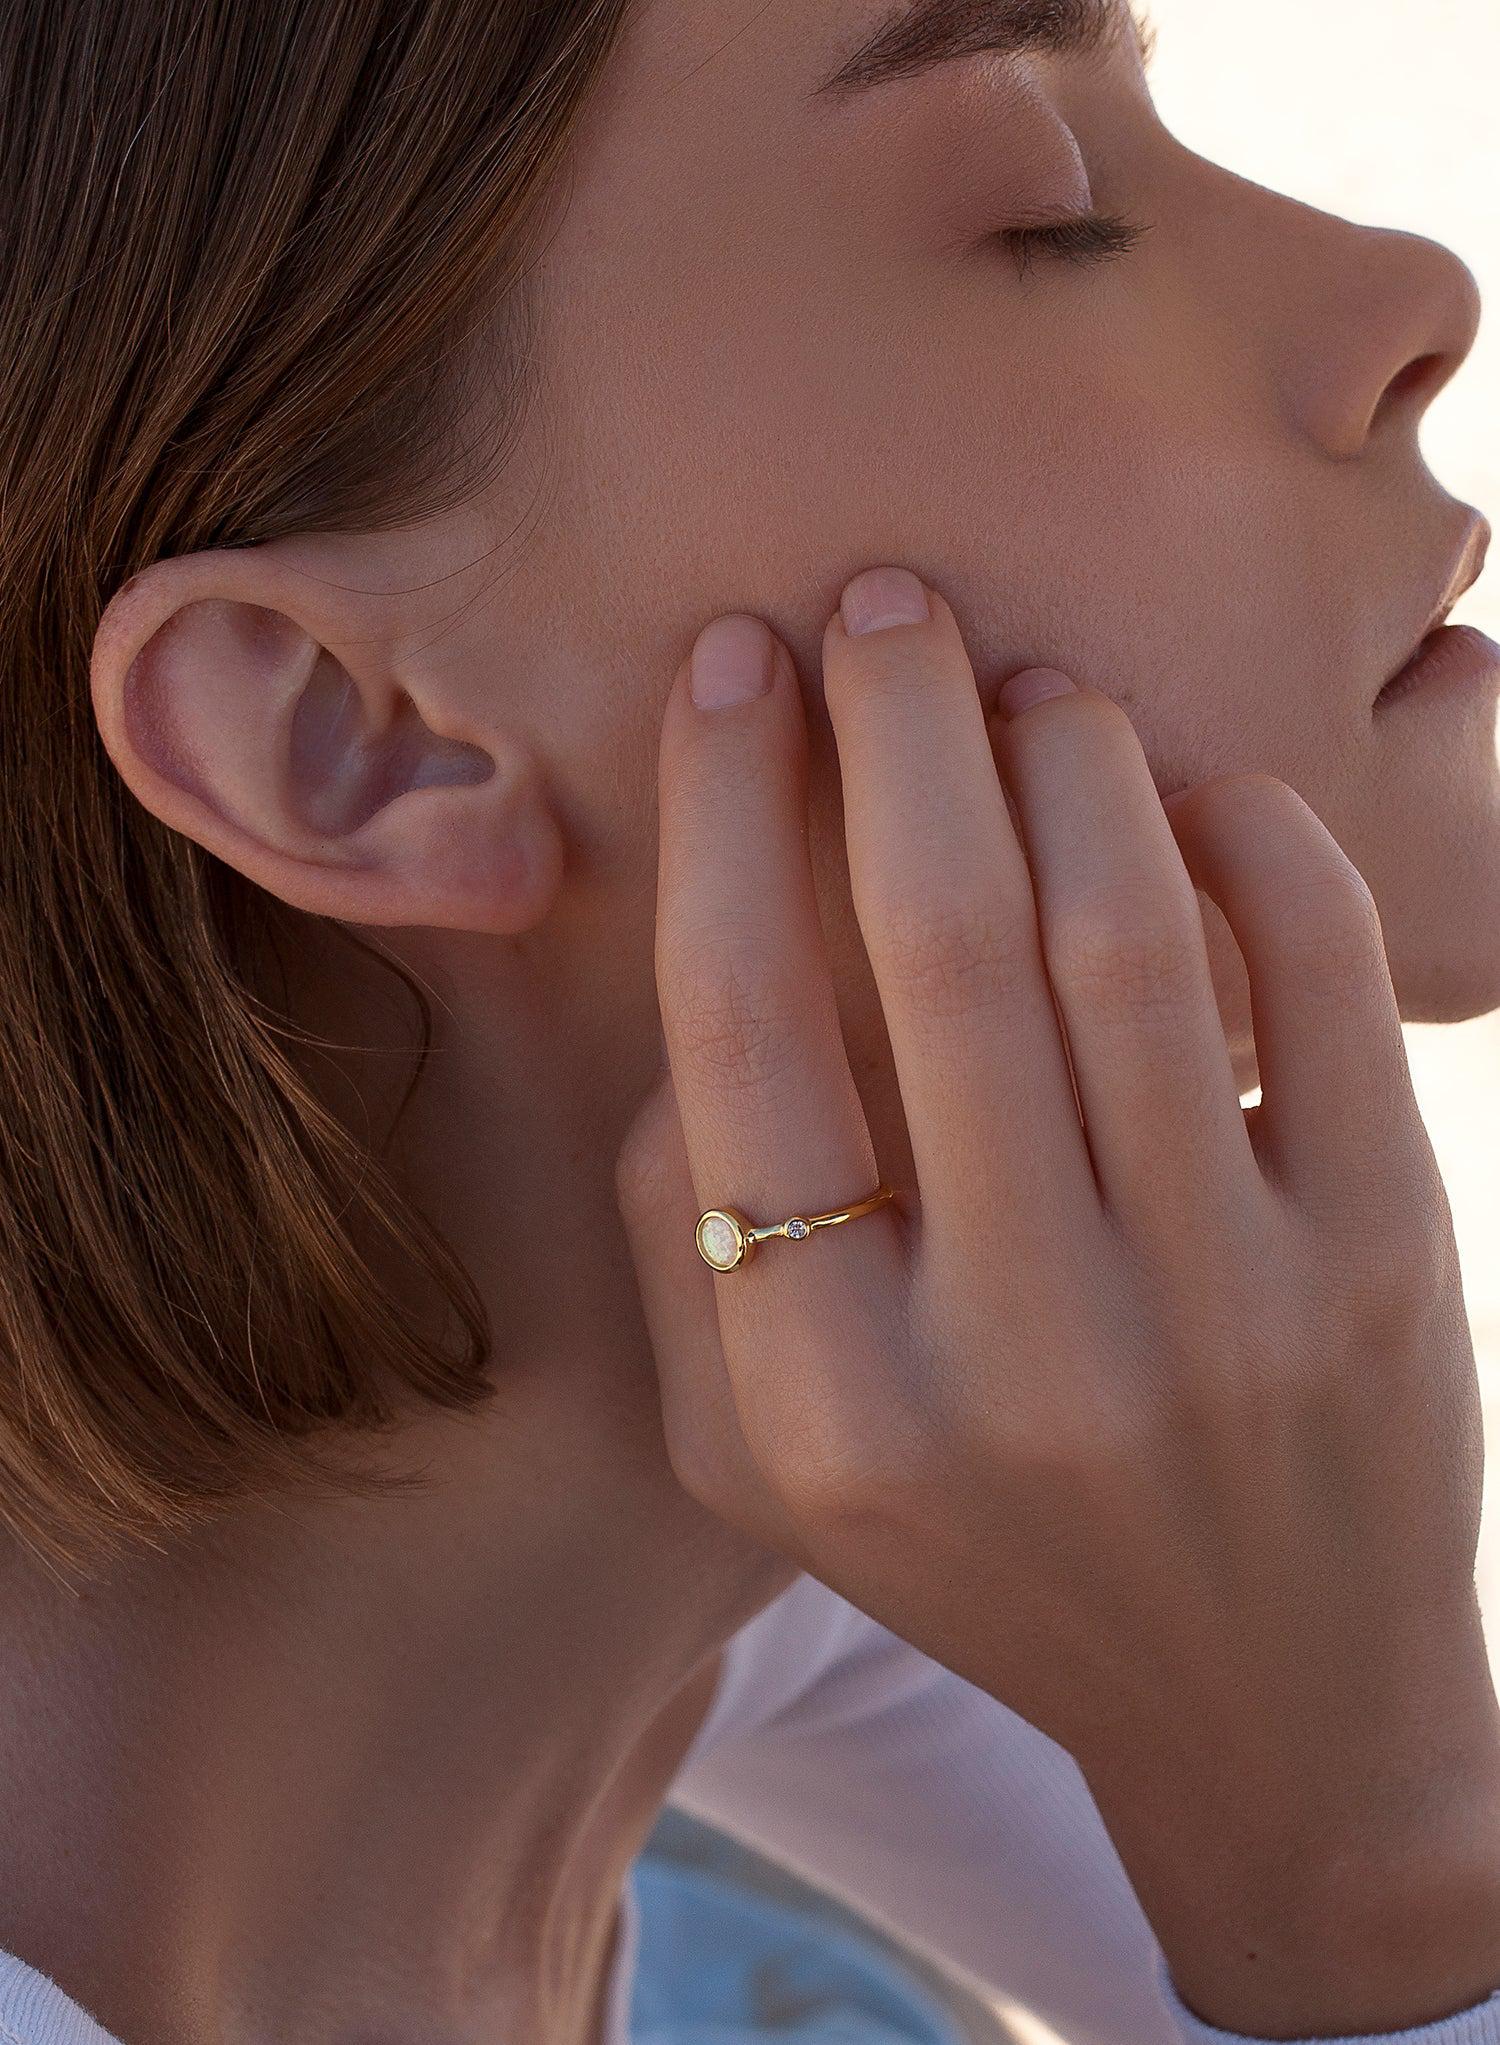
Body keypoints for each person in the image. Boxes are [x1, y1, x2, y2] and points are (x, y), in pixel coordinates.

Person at [3, 0, 1500, 2040]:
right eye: (1046, 209)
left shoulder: (794, 1566)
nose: (1418, 293)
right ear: (346, 741)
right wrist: (1371, 1880)